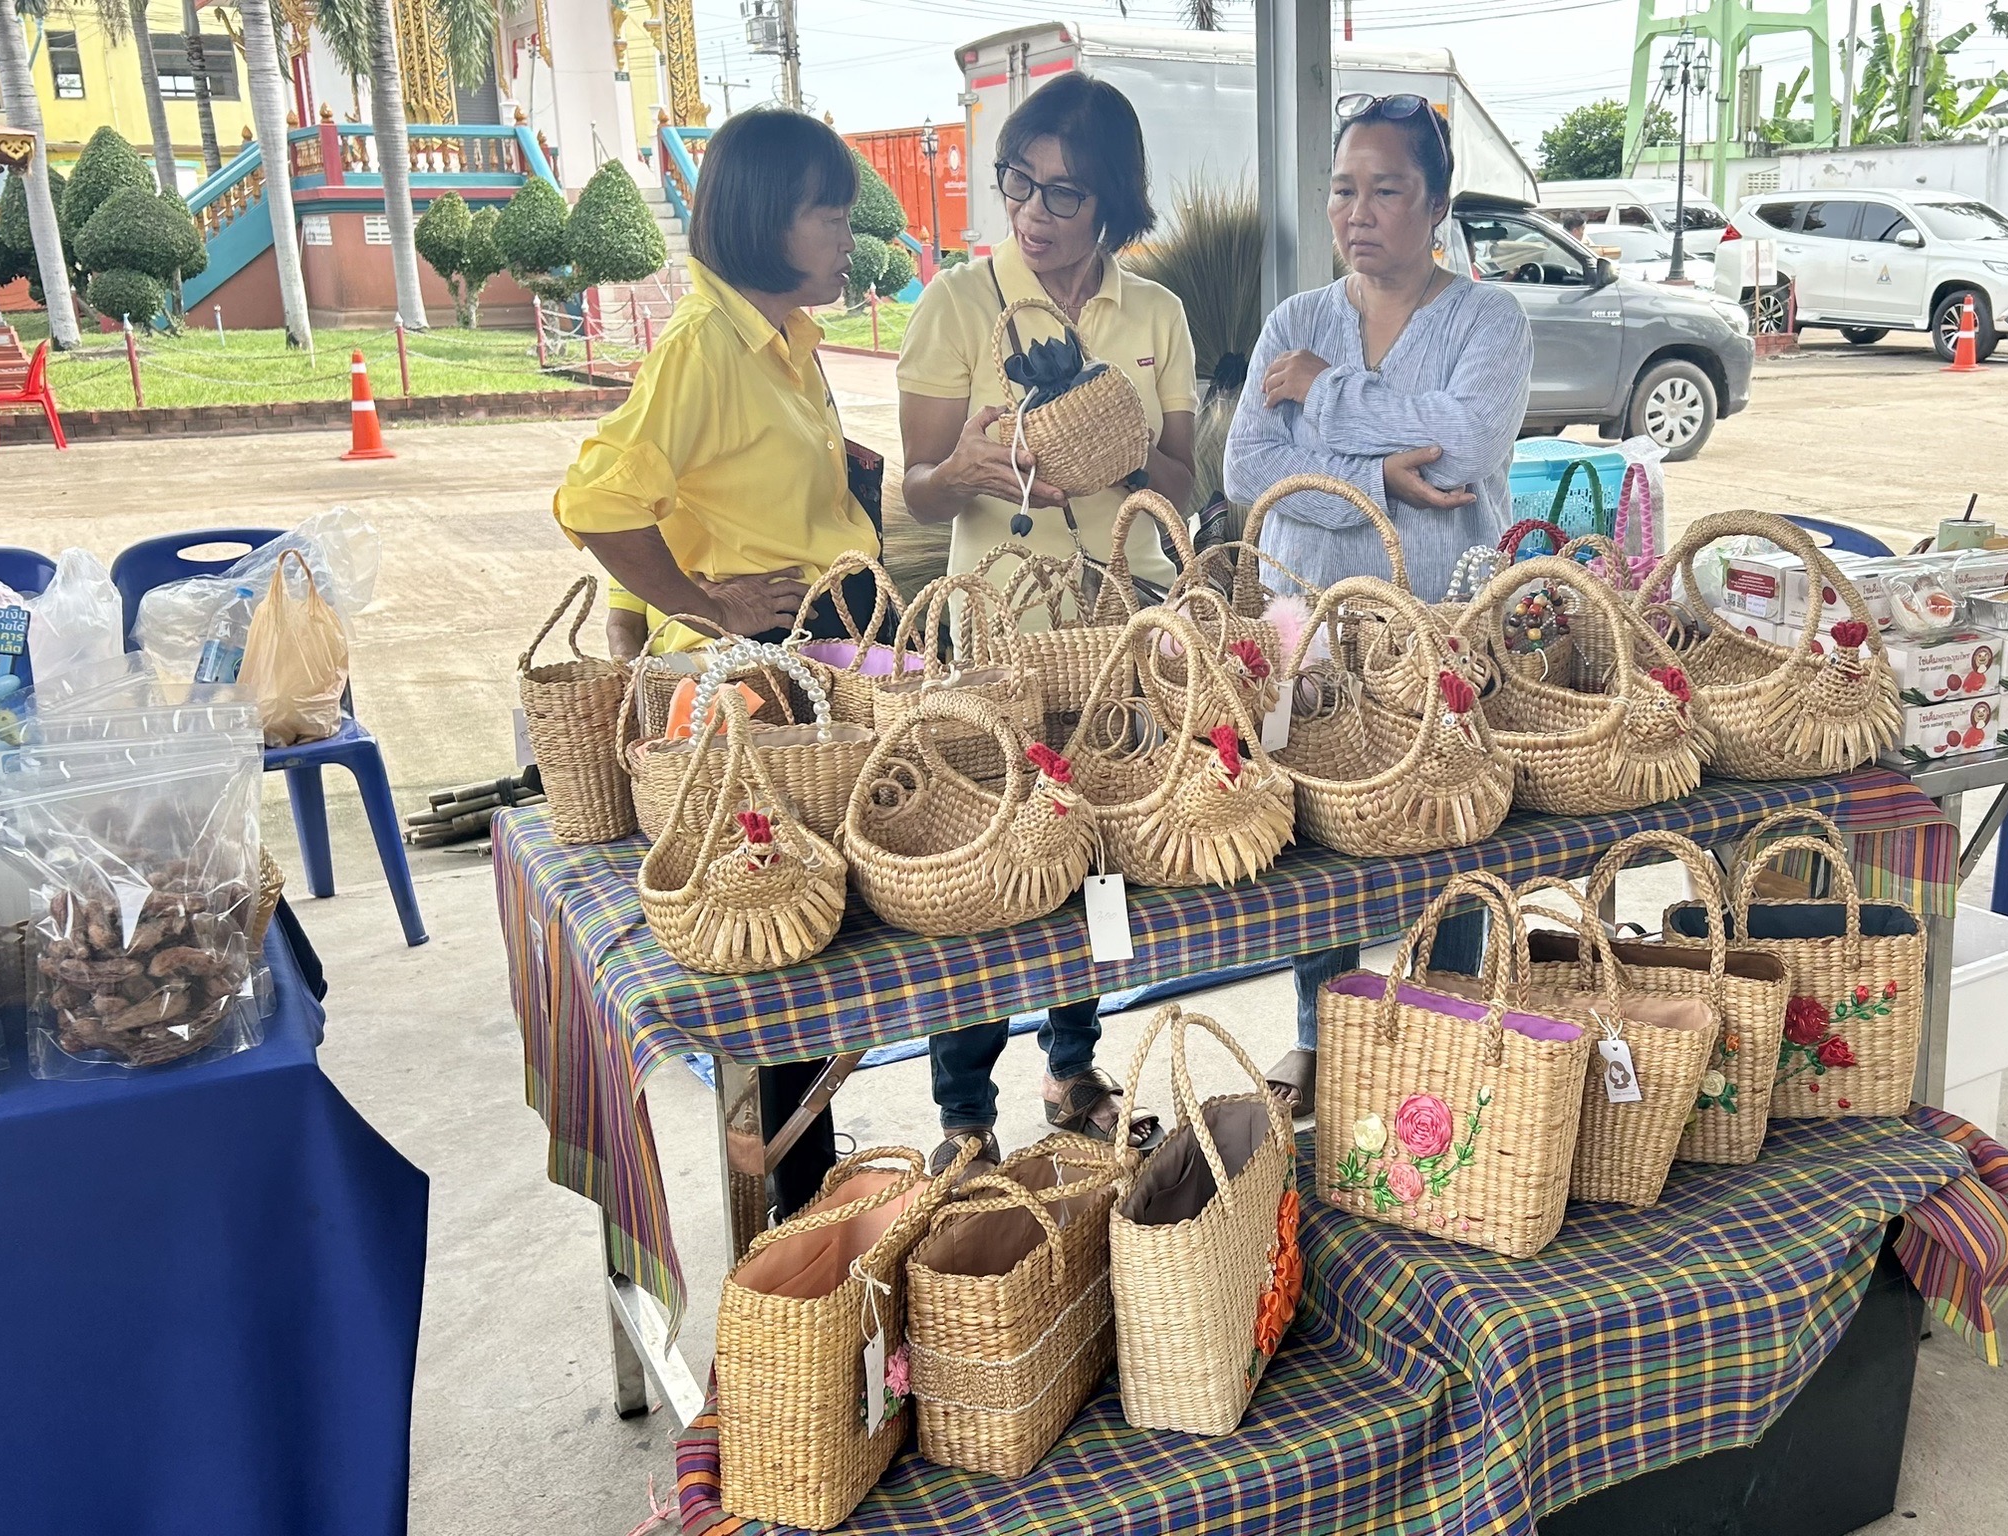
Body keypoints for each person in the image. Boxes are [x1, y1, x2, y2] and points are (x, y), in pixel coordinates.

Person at [550, 107, 878, 1217]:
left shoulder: (786, 340)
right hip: (754, 673)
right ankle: (797, 1207)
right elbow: (600, 501)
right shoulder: (704, 348)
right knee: (779, 932)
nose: (846, 235)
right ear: (764, 221)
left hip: (820, 647)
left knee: (820, 927)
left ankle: (813, 1189)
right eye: (828, 214)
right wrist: (701, 604)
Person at [894, 72, 1197, 1173]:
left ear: (1113, 199)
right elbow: (917, 494)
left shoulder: (1156, 314)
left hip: (1120, 620)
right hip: (998, 628)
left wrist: (1116, 446)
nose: (1033, 211)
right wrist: (959, 472)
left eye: (1065, 193)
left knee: (1093, 841)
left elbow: (1184, 482)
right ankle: (963, 1112)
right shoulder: (957, 304)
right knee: (983, 852)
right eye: (1017, 183)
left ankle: (1074, 1064)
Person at [1223, 91, 1532, 1112]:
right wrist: (1378, 481)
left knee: (1450, 819)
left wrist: (1322, 393)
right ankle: (1324, 1036)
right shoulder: (1297, 321)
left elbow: (1467, 442)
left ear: (1436, 202)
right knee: (1320, 834)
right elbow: (1247, 469)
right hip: (1308, 624)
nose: (1356, 212)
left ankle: (1442, 1032)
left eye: (1386, 189)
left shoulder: (1487, 319)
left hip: (1440, 624)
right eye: (1343, 189)